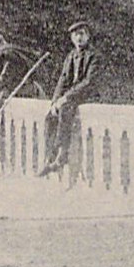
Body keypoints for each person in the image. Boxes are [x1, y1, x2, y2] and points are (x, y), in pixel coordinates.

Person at [39, 20, 99, 178]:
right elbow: (63, 79)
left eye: (82, 34)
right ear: (72, 38)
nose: (79, 38)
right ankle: (49, 156)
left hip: (86, 96)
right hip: (70, 97)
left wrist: (66, 97)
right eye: (76, 34)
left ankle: (62, 154)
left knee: (65, 109)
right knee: (50, 117)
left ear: (88, 36)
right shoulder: (71, 56)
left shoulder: (93, 56)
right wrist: (54, 102)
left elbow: (89, 82)